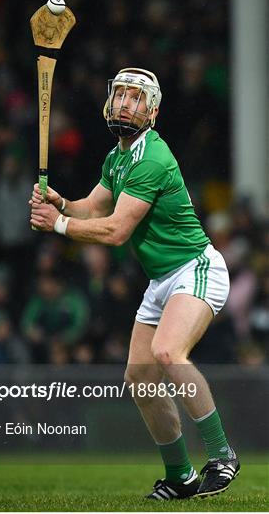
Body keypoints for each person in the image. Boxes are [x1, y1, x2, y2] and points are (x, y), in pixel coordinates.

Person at [29, 67, 240, 500]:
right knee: (140, 379)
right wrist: (62, 203)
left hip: (195, 268)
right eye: (121, 95)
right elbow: (93, 208)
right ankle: (180, 477)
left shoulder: (153, 159)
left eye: (136, 98)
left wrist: (59, 225)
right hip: (161, 280)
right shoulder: (117, 157)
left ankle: (222, 455)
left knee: (167, 352)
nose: (126, 103)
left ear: (153, 112)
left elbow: (116, 231)